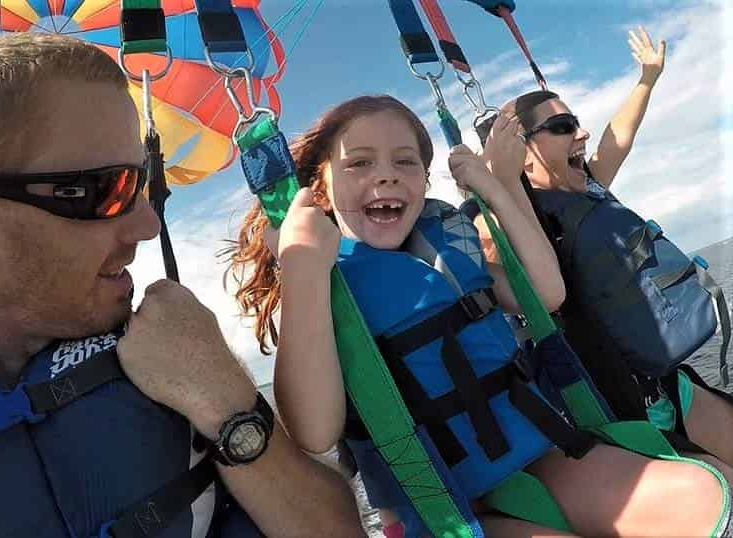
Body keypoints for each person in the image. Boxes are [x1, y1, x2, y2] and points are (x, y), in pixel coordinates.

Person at [225, 94, 730, 537]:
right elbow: (313, 433)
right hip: (442, 507)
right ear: (319, 185)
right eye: (358, 163)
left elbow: (546, 293)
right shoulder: (323, 275)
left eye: (405, 162)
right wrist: (301, 269)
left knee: (703, 495)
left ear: (425, 181)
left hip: (542, 452)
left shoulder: (451, 238)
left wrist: (495, 191)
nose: (386, 174)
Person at [0, 33, 364, 538]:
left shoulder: (176, 346)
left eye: (141, 182)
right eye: (102, 190)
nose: (147, 225)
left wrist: (228, 406)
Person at [478, 26, 733, 475]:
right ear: (522, 148)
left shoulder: (589, 187)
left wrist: (647, 79)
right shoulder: (513, 216)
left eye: (574, 122)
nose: (581, 134)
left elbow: (619, 134)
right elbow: (498, 258)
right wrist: (498, 181)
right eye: (562, 127)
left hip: (662, 379)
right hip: (613, 400)